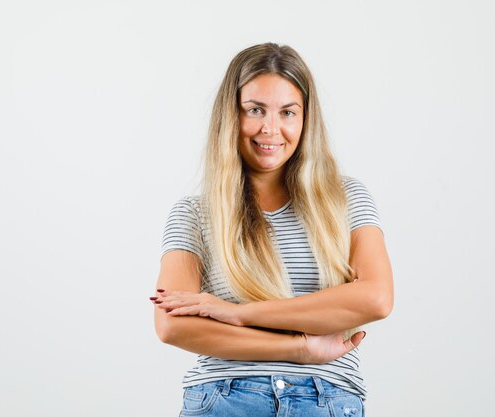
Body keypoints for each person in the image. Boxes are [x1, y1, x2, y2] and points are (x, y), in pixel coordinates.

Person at [150, 42, 393, 417]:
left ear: (306, 119)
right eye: (255, 110)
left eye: (288, 112)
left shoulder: (346, 199)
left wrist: (240, 314)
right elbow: (172, 327)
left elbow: (376, 299)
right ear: (231, 115)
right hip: (225, 396)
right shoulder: (194, 214)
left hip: (325, 398)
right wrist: (298, 349)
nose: (271, 129)